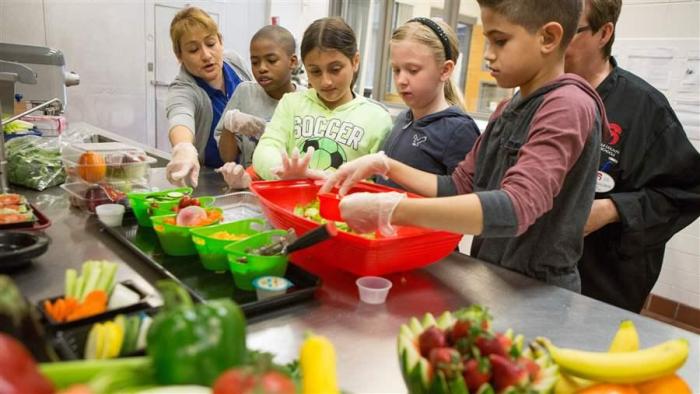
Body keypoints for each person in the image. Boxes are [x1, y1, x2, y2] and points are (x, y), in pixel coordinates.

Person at [321, 0, 609, 292]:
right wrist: (386, 165)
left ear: (548, 38)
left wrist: (392, 209)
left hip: (540, 289)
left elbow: (516, 207)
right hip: (493, 275)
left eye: (500, 41)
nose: (488, 55)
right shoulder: (509, 108)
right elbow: (458, 185)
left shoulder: (568, 106)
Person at [565, 0, 700, 312]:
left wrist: (613, 209)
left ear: (604, 33)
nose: (554, 43)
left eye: (571, 31)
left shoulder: (646, 108)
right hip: (530, 270)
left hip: (600, 282)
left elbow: (687, 193)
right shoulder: (535, 95)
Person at [250, 17, 392, 181]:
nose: (326, 81)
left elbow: (380, 180)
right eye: (315, 71)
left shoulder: (377, 118)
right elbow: (265, 149)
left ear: (355, 61)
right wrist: (283, 172)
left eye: (335, 69)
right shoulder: (291, 104)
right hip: (294, 203)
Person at [378, 17, 480, 189]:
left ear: (445, 70)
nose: (401, 80)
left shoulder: (459, 131)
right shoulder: (404, 119)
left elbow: (465, 199)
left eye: (413, 70)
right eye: (396, 70)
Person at [164, 6, 253, 187]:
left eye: (211, 44)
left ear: (220, 41)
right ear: (179, 55)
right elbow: (180, 116)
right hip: (216, 180)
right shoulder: (183, 88)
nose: (206, 55)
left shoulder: (234, 63)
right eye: (193, 50)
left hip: (253, 173)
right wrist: (184, 148)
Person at [216, 25, 303, 188]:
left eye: (271, 60)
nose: (261, 68)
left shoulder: (305, 101)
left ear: (292, 62)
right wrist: (230, 124)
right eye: (255, 62)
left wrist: (267, 130)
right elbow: (227, 157)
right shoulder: (244, 93)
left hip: (285, 189)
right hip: (247, 187)